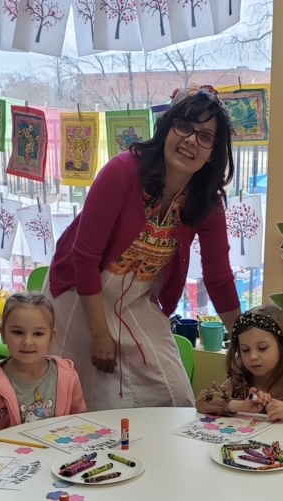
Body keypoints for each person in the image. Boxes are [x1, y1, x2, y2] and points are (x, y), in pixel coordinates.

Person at [45, 84, 241, 411]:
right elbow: (85, 257)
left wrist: (244, 340)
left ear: (213, 153)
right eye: (184, 126)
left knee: (173, 394)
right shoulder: (122, 172)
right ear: (167, 129)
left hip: (137, 300)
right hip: (80, 295)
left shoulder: (207, 203)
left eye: (206, 136)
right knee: (80, 398)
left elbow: (219, 278)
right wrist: (99, 333)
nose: (191, 140)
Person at [0, 292, 87, 434]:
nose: (28, 342)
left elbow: (80, 423)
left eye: (38, 334)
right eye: (18, 332)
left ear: (51, 337)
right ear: (3, 334)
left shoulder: (68, 376)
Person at [196, 305, 283, 424]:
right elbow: (202, 401)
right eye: (245, 350)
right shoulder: (239, 382)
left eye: (262, 348)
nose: (253, 356)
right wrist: (241, 405)